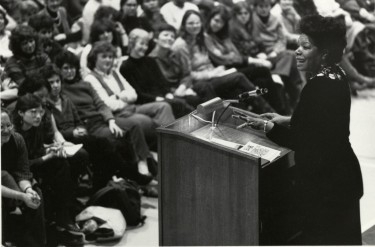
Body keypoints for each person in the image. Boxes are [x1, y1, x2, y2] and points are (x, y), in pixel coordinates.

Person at [246, 15, 363, 245]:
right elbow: (323, 122)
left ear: (325, 53)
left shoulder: (317, 86)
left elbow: (304, 141)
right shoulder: (335, 74)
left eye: (306, 47)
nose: (297, 51)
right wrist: (286, 118)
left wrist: (268, 127)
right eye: (298, 45)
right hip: (342, 177)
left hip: (327, 187)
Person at [41, 64, 156, 189]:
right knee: (103, 145)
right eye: (51, 83)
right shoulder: (46, 104)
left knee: (106, 146)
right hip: (64, 140)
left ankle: (109, 183)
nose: (56, 85)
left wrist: (80, 128)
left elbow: (78, 121)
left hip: (79, 136)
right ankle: (129, 174)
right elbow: (51, 132)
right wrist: (72, 133)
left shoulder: (65, 99)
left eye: (57, 81)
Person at [172, 10, 273, 113]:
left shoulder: (199, 38)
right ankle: (269, 112)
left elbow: (209, 62)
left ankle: (252, 120)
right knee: (239, 77)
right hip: (198, 82)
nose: (195, 26)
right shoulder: (181, 45)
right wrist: (211, 74)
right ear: (184, 25)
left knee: (237, 90)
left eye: (197, 22)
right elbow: (187, 75)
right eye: (191, 23)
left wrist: (217, 70)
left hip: (213, 75)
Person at [13, 93, 82, 234]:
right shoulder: (14, 134)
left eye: (40, 112)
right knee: (58, 164)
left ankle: (65, 213)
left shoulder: (35, 126)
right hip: (20, 172)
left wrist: (50, 147)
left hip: (35, 165)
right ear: (20, 113)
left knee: (63, 162)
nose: (38, 116)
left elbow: (37, 149)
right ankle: (63, 216)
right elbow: (22, 165)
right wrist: (49, 156)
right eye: (33, 112)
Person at [204, 6, 287, 114]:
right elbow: (223, 58)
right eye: (216, 21)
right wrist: (252, 60)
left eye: (222, 23)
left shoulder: (222, 36)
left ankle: (274, 114)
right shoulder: (206, 37)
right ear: (209, 18)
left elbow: (235, 54)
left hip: (234, 67)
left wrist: (238, 57)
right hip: (226, 70)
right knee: (263, 70)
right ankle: (277, 112)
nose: (218, 25)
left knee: (262, 79)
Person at [120, 29, 194, 118]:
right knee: (180, 104)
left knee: (191, 99)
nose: (144, 47)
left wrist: (167, 94)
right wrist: (158, 98)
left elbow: (162, 83)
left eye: (146, 44)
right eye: (141, 44)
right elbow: (137, 93)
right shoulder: (125, 67)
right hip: (147, 101)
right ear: (132, 43)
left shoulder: (150, 61)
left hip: (162, 96)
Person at [1, 108, 46, 247]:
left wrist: (27, 190)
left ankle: (38, 243)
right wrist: (21, 197)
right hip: (5, 184)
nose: (6, 130)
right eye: (0, 127)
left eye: (8, 126)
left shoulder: (17, 140)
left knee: (36, 192)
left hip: (13, 181)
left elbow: (23, 172)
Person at [149, 23, 210, 107]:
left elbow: (186, 74)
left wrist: (183, 86)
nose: (169, 38)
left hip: (182, 88)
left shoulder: (175, 54)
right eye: (166, 35)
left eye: (172, 36)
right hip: (168, 94)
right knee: (191, 100)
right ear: (155, 39)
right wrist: (177, 91)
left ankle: (219, 117)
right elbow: (159, 86)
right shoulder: (150, 60)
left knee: (205, 86)